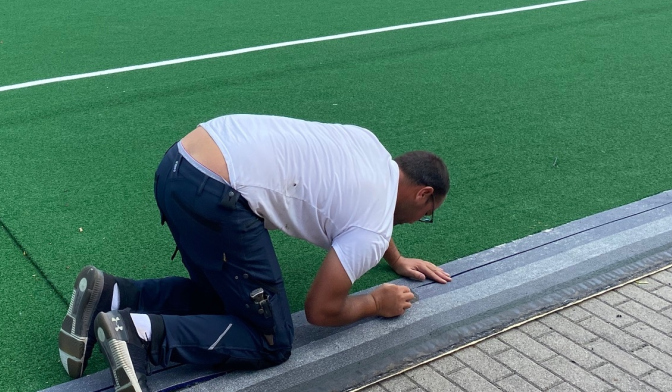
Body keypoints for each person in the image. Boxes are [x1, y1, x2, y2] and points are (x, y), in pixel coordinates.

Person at [58, 114, 450, 392]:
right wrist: (375, 303)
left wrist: (394, 258)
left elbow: (377, 219)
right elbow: (320, 310)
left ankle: (111, 295)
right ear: (423, 194)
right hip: (217, 194)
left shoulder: (369, 145)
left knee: (224, 303)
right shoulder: (372, 228)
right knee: (271, 342)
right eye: (426, 215)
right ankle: (138, 334)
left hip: (179, 163)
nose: (417, 221)